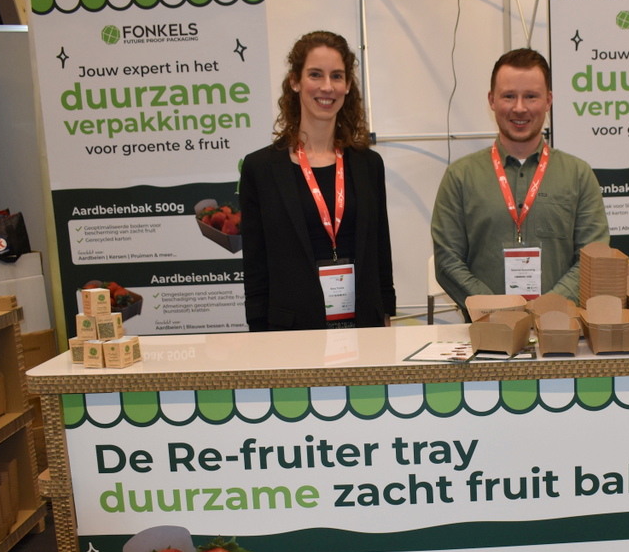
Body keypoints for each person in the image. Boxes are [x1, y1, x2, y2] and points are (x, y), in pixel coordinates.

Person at [431, 48, 609, 315]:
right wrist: (496, 311)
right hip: (485, 330)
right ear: (492, 100)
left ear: (548, 100)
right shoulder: (460, 177)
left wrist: (548, 309)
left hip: (560, 329)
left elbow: (593, 256)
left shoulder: (578, 175)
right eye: (509, 96)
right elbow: (447, 261)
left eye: (531, 96)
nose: (519, 108)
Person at [240, 31, 395, 330]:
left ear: (347, 86)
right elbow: (256, 264)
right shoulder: (261, 169)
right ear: (295, 81)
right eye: (315, 74)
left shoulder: (368, 165)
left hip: (364, 324)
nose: (327, 86)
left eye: (337, 76)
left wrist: (386, 312)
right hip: (293, 330)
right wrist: (258, 331)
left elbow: (380, 251)